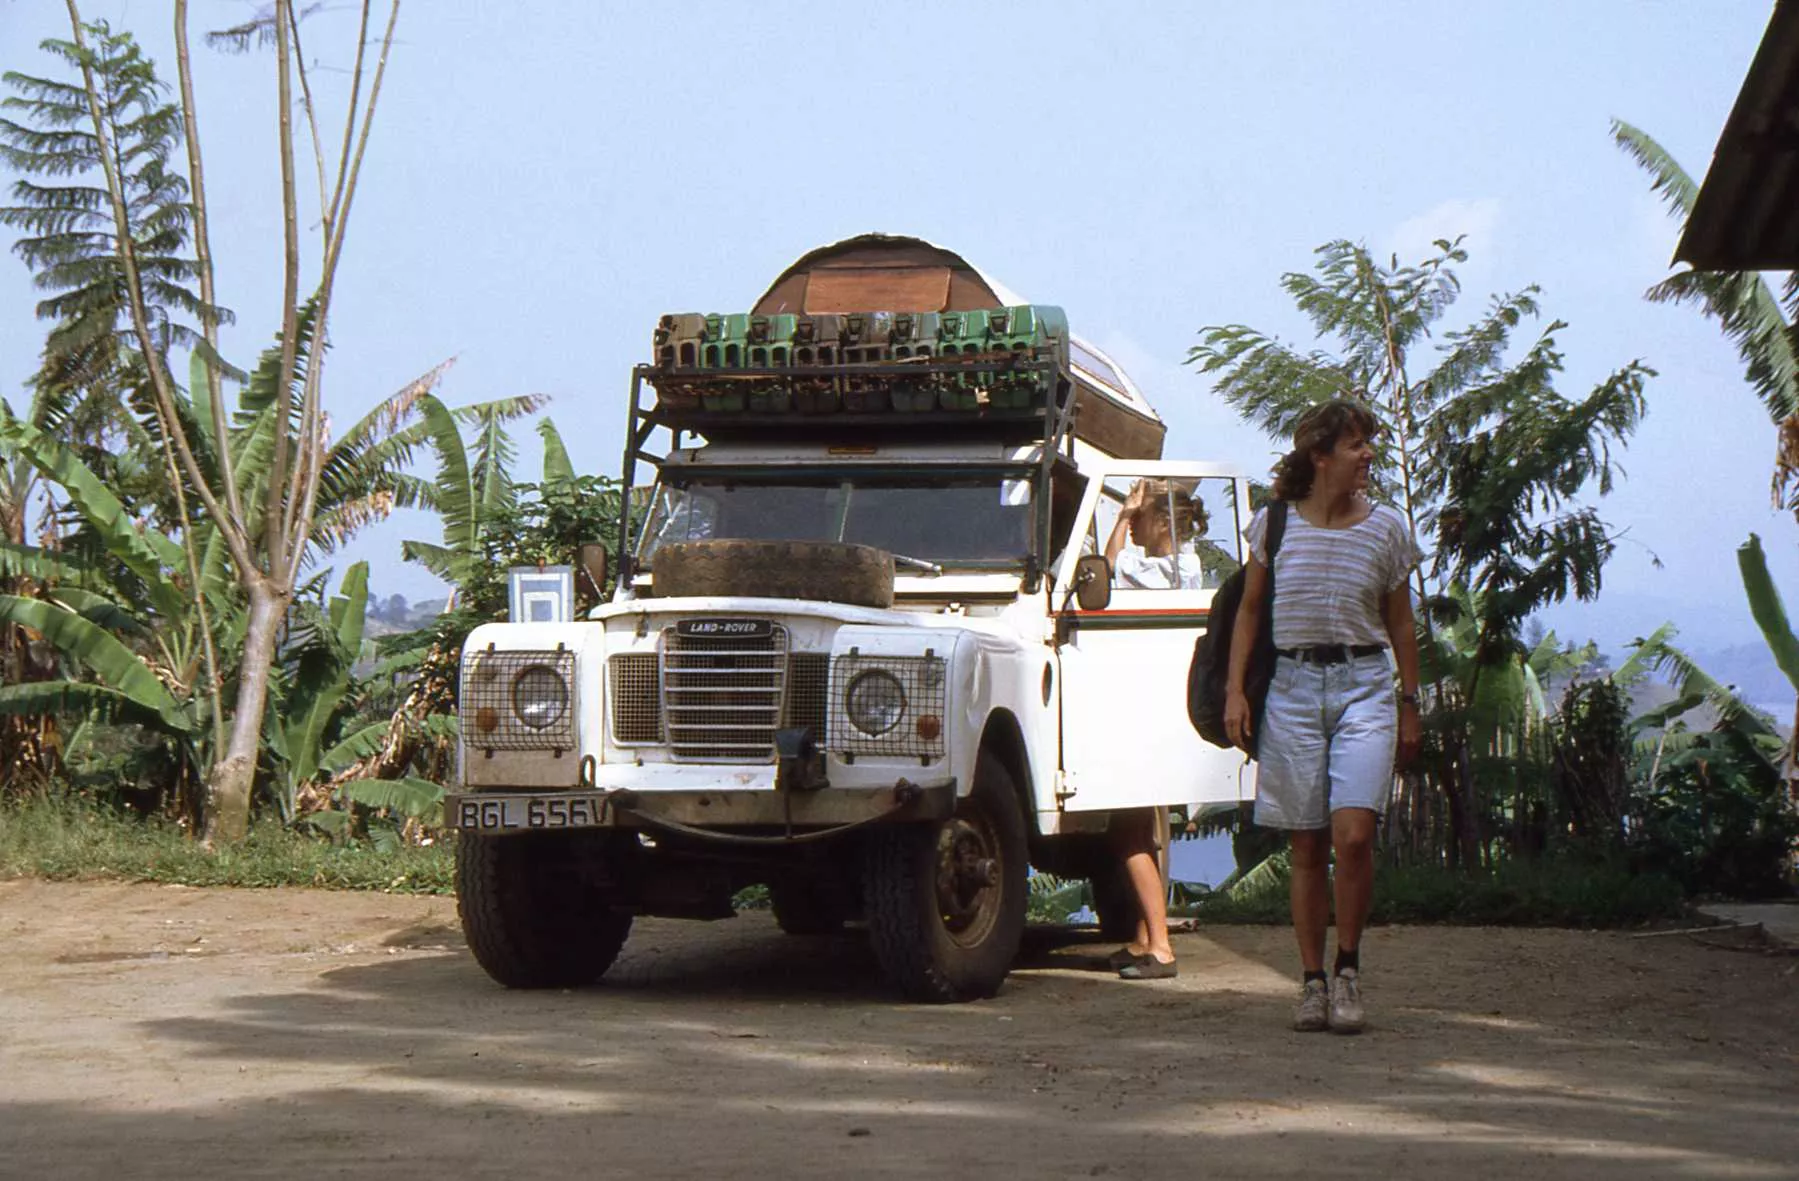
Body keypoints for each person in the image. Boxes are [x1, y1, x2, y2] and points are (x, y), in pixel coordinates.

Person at [1224, 400, 1422, 1033]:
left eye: (1368, 443)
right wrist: (1235, 690)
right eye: (1356, 444)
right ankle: (1311, 981)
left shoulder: (1386, 529)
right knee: (1306, 842)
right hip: (1293, 688)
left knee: (1353, 835)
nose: (1368, 455)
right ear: (1320, 455)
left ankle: (1348, 969)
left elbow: (1401, 622)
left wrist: (1410, 702)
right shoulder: (1274, 524)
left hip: (1365, 686)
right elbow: (1249, 611)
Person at [1104, 478, 1208, 590]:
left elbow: (1111, 564)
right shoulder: (1169, 566)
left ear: (1164, 523)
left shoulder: (1180, 568)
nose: (1131, 520)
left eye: (1138, 514)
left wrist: (1125, 515)